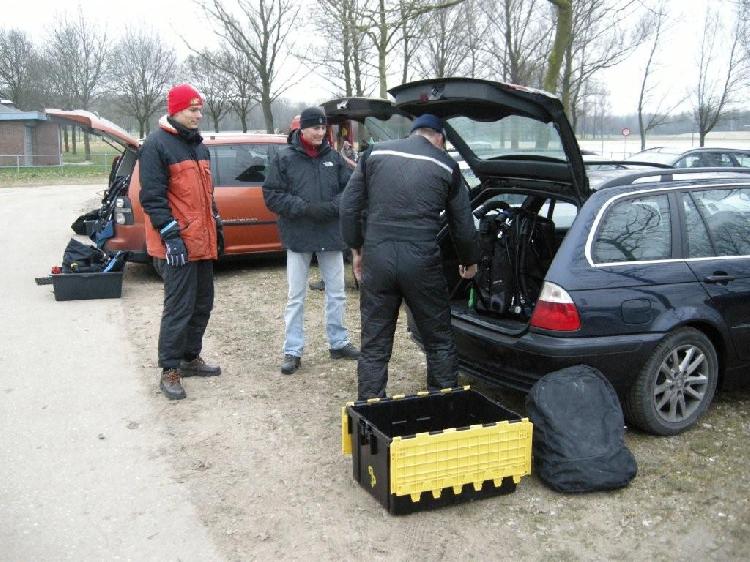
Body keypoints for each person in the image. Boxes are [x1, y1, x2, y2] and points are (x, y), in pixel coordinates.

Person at [340, 113, 479, 400]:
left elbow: (348, 208)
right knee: (439, 342)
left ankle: (369, 414)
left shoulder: (374, 154)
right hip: (422, 262)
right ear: (439, 137)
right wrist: (469, 260)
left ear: (415, 132)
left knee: (375, 345)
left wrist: (356, 249)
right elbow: (462, 224)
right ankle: (444, 412)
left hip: (377, 258)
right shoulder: (446, 165)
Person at [139, 83, 224, 400]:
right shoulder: (156, 145)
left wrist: (216, 223)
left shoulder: (198, 146)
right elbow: (152, 197)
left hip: (203, 242)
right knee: (178, 308)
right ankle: (170, 369)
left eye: (200, 109)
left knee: (203, 303)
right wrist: (171, 236)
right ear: (175, 110)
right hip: (177, 246)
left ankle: (190, 358)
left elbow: (205, 196)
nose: (198, 115)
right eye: (192, 109)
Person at [263, 106, 360, 375]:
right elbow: (272, 194)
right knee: (296, 296)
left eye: (323, 128)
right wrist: (303, 208)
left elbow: (350, 190)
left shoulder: (335, 158)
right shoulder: (284, 158)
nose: (320, 133)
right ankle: (292, 350)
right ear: (302, 129)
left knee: (337, 292)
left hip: (331, 234)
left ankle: (338, 342)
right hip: (298, 235)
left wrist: (331, 207)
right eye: (315, 128)